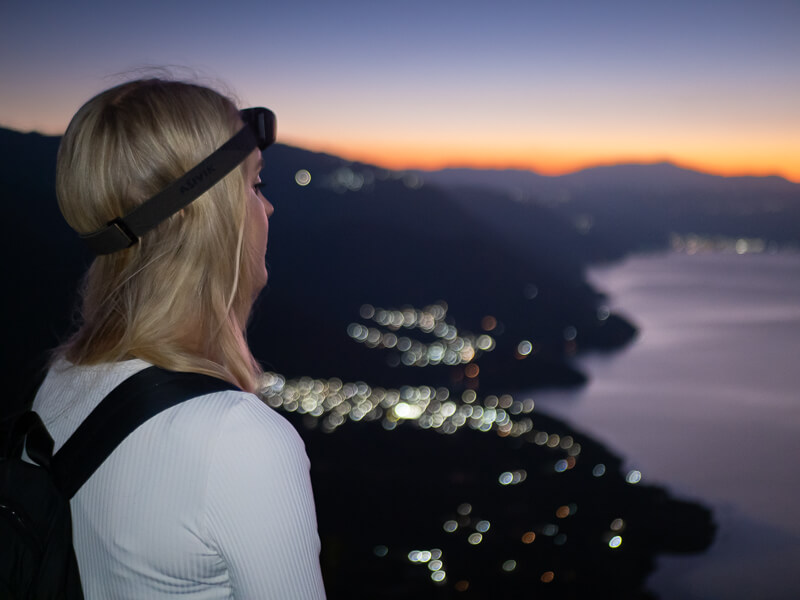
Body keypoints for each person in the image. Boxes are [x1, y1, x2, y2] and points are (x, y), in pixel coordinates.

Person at [32, 78, 327, 599]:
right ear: (207, 217)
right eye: (255, 186)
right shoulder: (241, 441)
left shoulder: (63, 380)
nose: (269, 209)